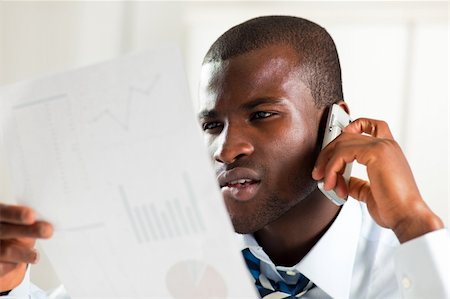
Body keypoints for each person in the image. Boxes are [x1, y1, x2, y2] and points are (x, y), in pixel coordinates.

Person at [0, 15, 448, 298]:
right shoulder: (160, 255)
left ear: (335, 124)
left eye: (263, 114)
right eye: (212, 125)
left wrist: (413, 221)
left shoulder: (411, 267)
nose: (225, 149)